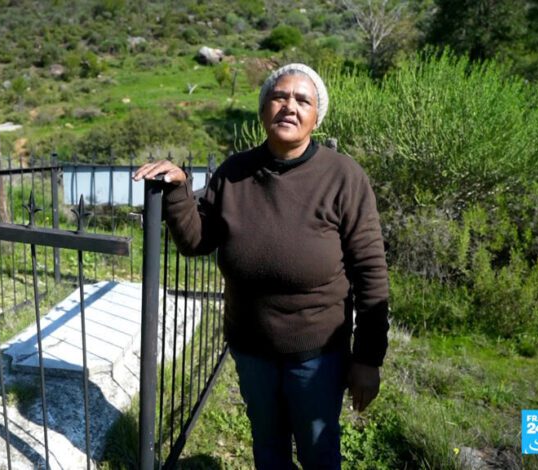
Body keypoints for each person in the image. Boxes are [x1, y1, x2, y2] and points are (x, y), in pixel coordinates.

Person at [133, 63, 389, 469]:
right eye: (279, 96)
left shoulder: (343, 177)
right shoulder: (235, 172)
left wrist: (368, 358)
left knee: (318, 452)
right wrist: (179, 190)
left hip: (317, 355)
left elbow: (371, 273)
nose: (289, 106)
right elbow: (197, 240)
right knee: (268, 449)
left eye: (302, 100)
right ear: (263, 110)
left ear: (316, 117)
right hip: (252, 348)